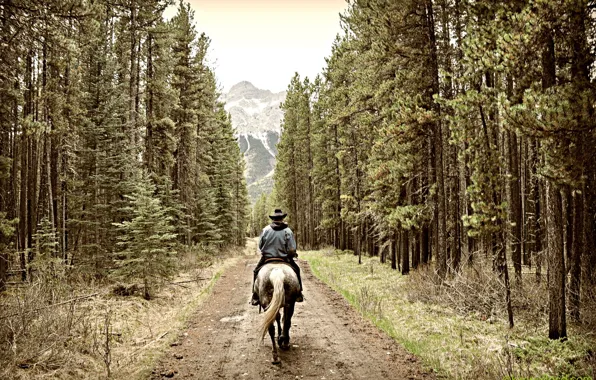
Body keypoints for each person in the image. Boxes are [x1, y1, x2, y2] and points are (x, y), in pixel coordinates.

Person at [251, 209, 304, 306]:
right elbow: (292, 249)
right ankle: (299, 293)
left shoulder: (266, 229)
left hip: (267, 258)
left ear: (273, 219)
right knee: (296, 270)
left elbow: (260, 245)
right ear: (282, 218)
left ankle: (255, 296)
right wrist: (292, 254)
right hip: (284, 259)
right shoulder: (287, 230)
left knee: (256, 271)